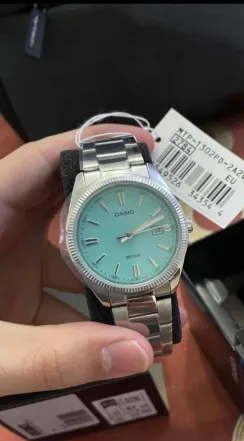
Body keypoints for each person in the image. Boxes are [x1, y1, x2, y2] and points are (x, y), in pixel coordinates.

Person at [0, 124, 186, 397]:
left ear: (182, 226)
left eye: (129, 235)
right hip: (120, 279)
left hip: (149, 272)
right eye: (127, 236)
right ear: (70, 243)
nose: (127, 237)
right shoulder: (78, 235)